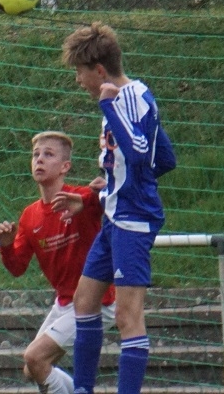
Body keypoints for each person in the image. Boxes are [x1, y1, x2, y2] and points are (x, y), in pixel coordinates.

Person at [61, 22, 176, 394]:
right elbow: (165, 157)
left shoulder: (127, 98)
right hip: (115, 215)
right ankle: (82, 389)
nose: (78, 80)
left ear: (98, 70)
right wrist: (107, 188)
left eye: (80, 73)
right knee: (84, 301)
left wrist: (108, 106)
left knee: (128, 317)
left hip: (133, 221)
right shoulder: (123, 97)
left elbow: (141, 154)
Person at [0, 131, 116, 394]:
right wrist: (5, 246)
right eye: (36, 154)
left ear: (65, 167)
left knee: (35, 358)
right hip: (65, 303)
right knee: (32, 368)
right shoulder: (30, 216)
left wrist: (99, 193)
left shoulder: (78, 198)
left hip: (96, 301)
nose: (39, 160)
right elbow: (17, 267)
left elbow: (102, 202)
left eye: (48, 154)